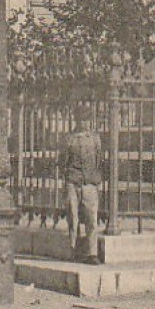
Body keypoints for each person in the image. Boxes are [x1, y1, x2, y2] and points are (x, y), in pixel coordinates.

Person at [60, 105, 103, 266]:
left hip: (90, 182)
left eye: (87, 120)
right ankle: (74, 249)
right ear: (76, 120)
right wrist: (69, 177)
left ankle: (92, 253)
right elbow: (63, 161)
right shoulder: (69, 139)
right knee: (73, 217)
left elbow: (99, 160)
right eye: (82, 119)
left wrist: (93, 177)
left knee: (92, 217)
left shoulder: (94, 139)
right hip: (73, 181)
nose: (85, 123)